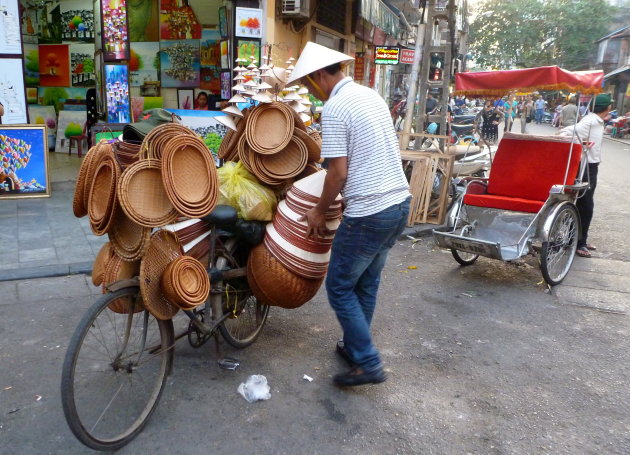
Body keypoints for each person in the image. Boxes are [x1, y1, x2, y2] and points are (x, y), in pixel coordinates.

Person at [287, 42, 411, 387]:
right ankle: (356, 349)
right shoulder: (370, 95)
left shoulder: (337, 107)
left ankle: (368, 363)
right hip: (399, 203)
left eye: (309, 83)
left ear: (319, 76)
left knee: (340, 286)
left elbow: (337, 173)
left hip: (370, 212)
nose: (311, 90)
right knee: (366, 283)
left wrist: (317, 210)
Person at [558, 93, 613, 258]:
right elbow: (566, 132)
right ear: (607, 107)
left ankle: (578, 238)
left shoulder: (597, 121)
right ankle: (579, 243)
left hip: (592, 166)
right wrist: (579, 145)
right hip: (585, 167)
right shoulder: (590, 121)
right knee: (586, 206)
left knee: (585, 204)